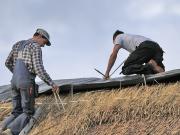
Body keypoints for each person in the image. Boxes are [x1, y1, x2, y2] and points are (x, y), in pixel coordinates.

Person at [1, 28, 59, 135]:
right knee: (28, 112)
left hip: (14, 82)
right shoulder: (35, 47)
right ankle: (10, 132)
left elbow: (7, 63)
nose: (43, 46)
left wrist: (17, 75)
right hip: (26, 82)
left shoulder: (18, 45)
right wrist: (52, 83)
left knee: (16, 112)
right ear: (40, 36)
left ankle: (1, 128)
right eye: (44, 43)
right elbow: (38, 68)